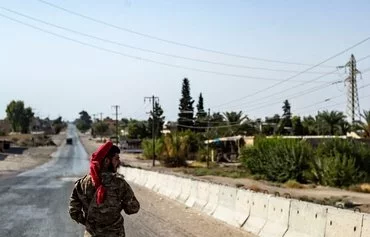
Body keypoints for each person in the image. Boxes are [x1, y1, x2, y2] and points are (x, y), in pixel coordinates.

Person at [69, 141, 140, 237]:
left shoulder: (82, 184)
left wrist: (89, 224)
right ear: (107, 161)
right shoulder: (120, 184)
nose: (118, 162)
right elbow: (133, 208)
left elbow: (74, 212)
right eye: (116, 159)